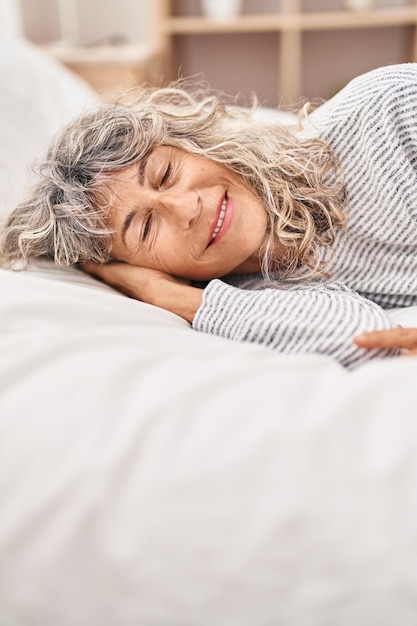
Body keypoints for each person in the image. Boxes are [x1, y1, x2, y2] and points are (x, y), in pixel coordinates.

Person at [2, 64, 417, 368]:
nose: (185, 209)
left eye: (166, 174)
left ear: (195, 145)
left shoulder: (382, 116)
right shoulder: (255, 289)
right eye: (146, 228)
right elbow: (365, 336)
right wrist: (166, 295)